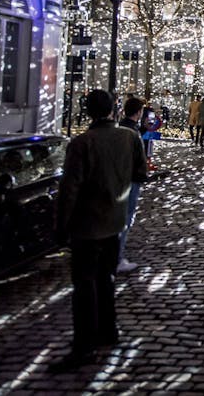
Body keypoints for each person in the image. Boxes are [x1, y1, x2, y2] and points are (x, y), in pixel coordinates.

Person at [52, 89, 146, 372]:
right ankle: (108, 329)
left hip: (87, 225)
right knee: (106, 279)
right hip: (115, 222)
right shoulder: (129, 137)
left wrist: (61, 226)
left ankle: (84, 346)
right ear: (112, 109)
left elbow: (70, 188)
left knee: (84, 286)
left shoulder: (82, 143)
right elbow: (141, 174)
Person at [117, 96, 148, 273]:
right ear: (139, 112)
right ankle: (117, 258)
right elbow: (137, 158)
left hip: (121, 178)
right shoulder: (130, 132)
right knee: (125, 219)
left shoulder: (123, 127)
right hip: (130, 179)